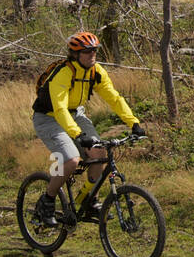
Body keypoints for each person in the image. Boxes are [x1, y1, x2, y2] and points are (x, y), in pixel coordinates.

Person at [32, 31, 145, 226]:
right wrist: (78, 135)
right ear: (75, 54)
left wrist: (133, 122)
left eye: (94, 50)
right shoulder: (64, 72)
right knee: (71, 160)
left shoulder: (96, 71)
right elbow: (59, 109)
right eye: (87, 51)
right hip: (48, 118)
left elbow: (114, 98)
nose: (92, 54)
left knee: (99, 152)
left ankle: (88, 200)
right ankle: (47, 202)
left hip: (75, 114)